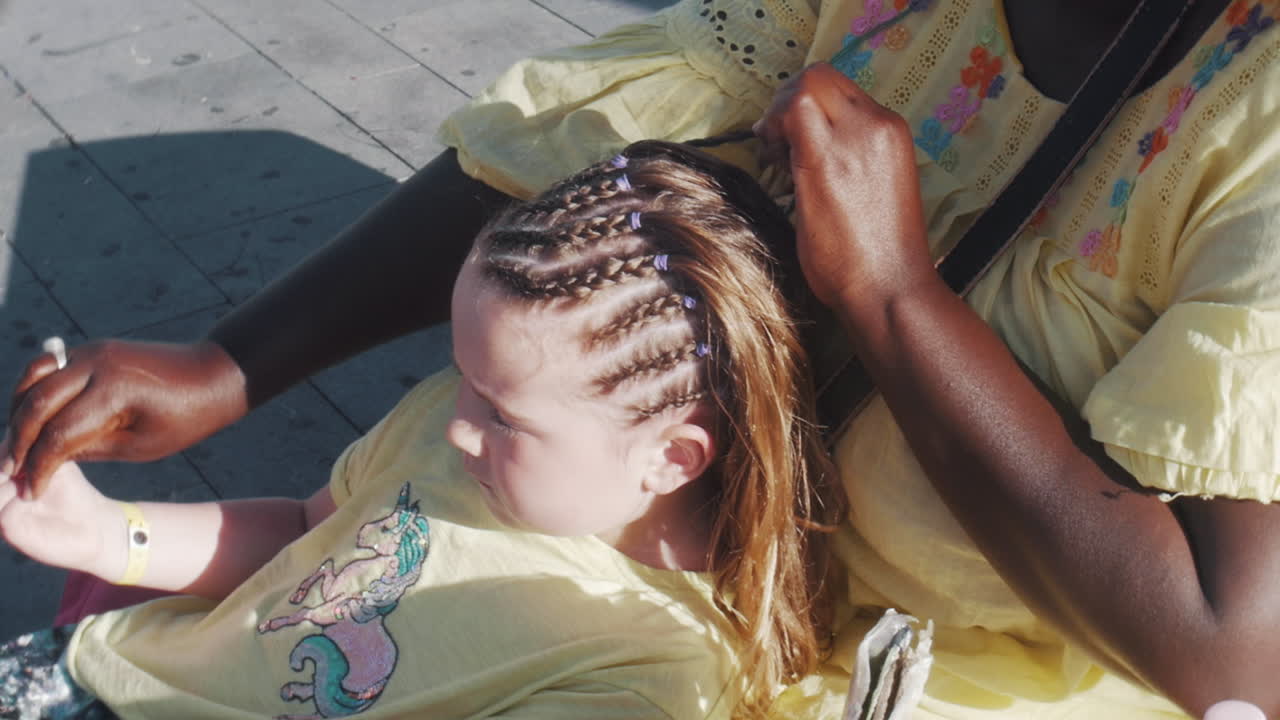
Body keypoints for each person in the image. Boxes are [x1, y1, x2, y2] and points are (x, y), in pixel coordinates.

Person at [6, 0, 1280, 717]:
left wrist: (893, 299)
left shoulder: (1253, 115)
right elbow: (575, 142)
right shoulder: (488, 471)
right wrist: (231, 365)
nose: (462, 424)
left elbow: (1228, 649)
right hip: (684, 557)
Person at [0, 141, 845, 719]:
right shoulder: (459, 434)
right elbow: (303, 532)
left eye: (501, 411)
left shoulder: (649, 670)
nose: (456, 425)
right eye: (464, 378)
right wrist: (110, 533)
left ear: (670, 457)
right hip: (102, 673)